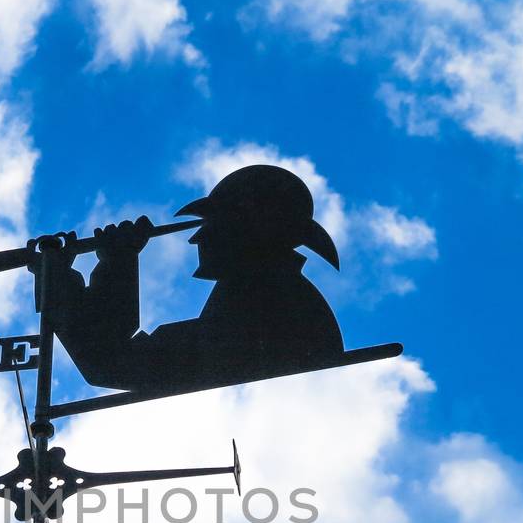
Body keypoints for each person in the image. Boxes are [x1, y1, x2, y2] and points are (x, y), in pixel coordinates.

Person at [36, 164, 344, 394]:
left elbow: (115, 364)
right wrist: (114, 263)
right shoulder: (268, 288)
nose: (196, 239)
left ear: (244, 232)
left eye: (210, 225)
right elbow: (117, 361)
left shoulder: (265, 296)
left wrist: (79, 274)